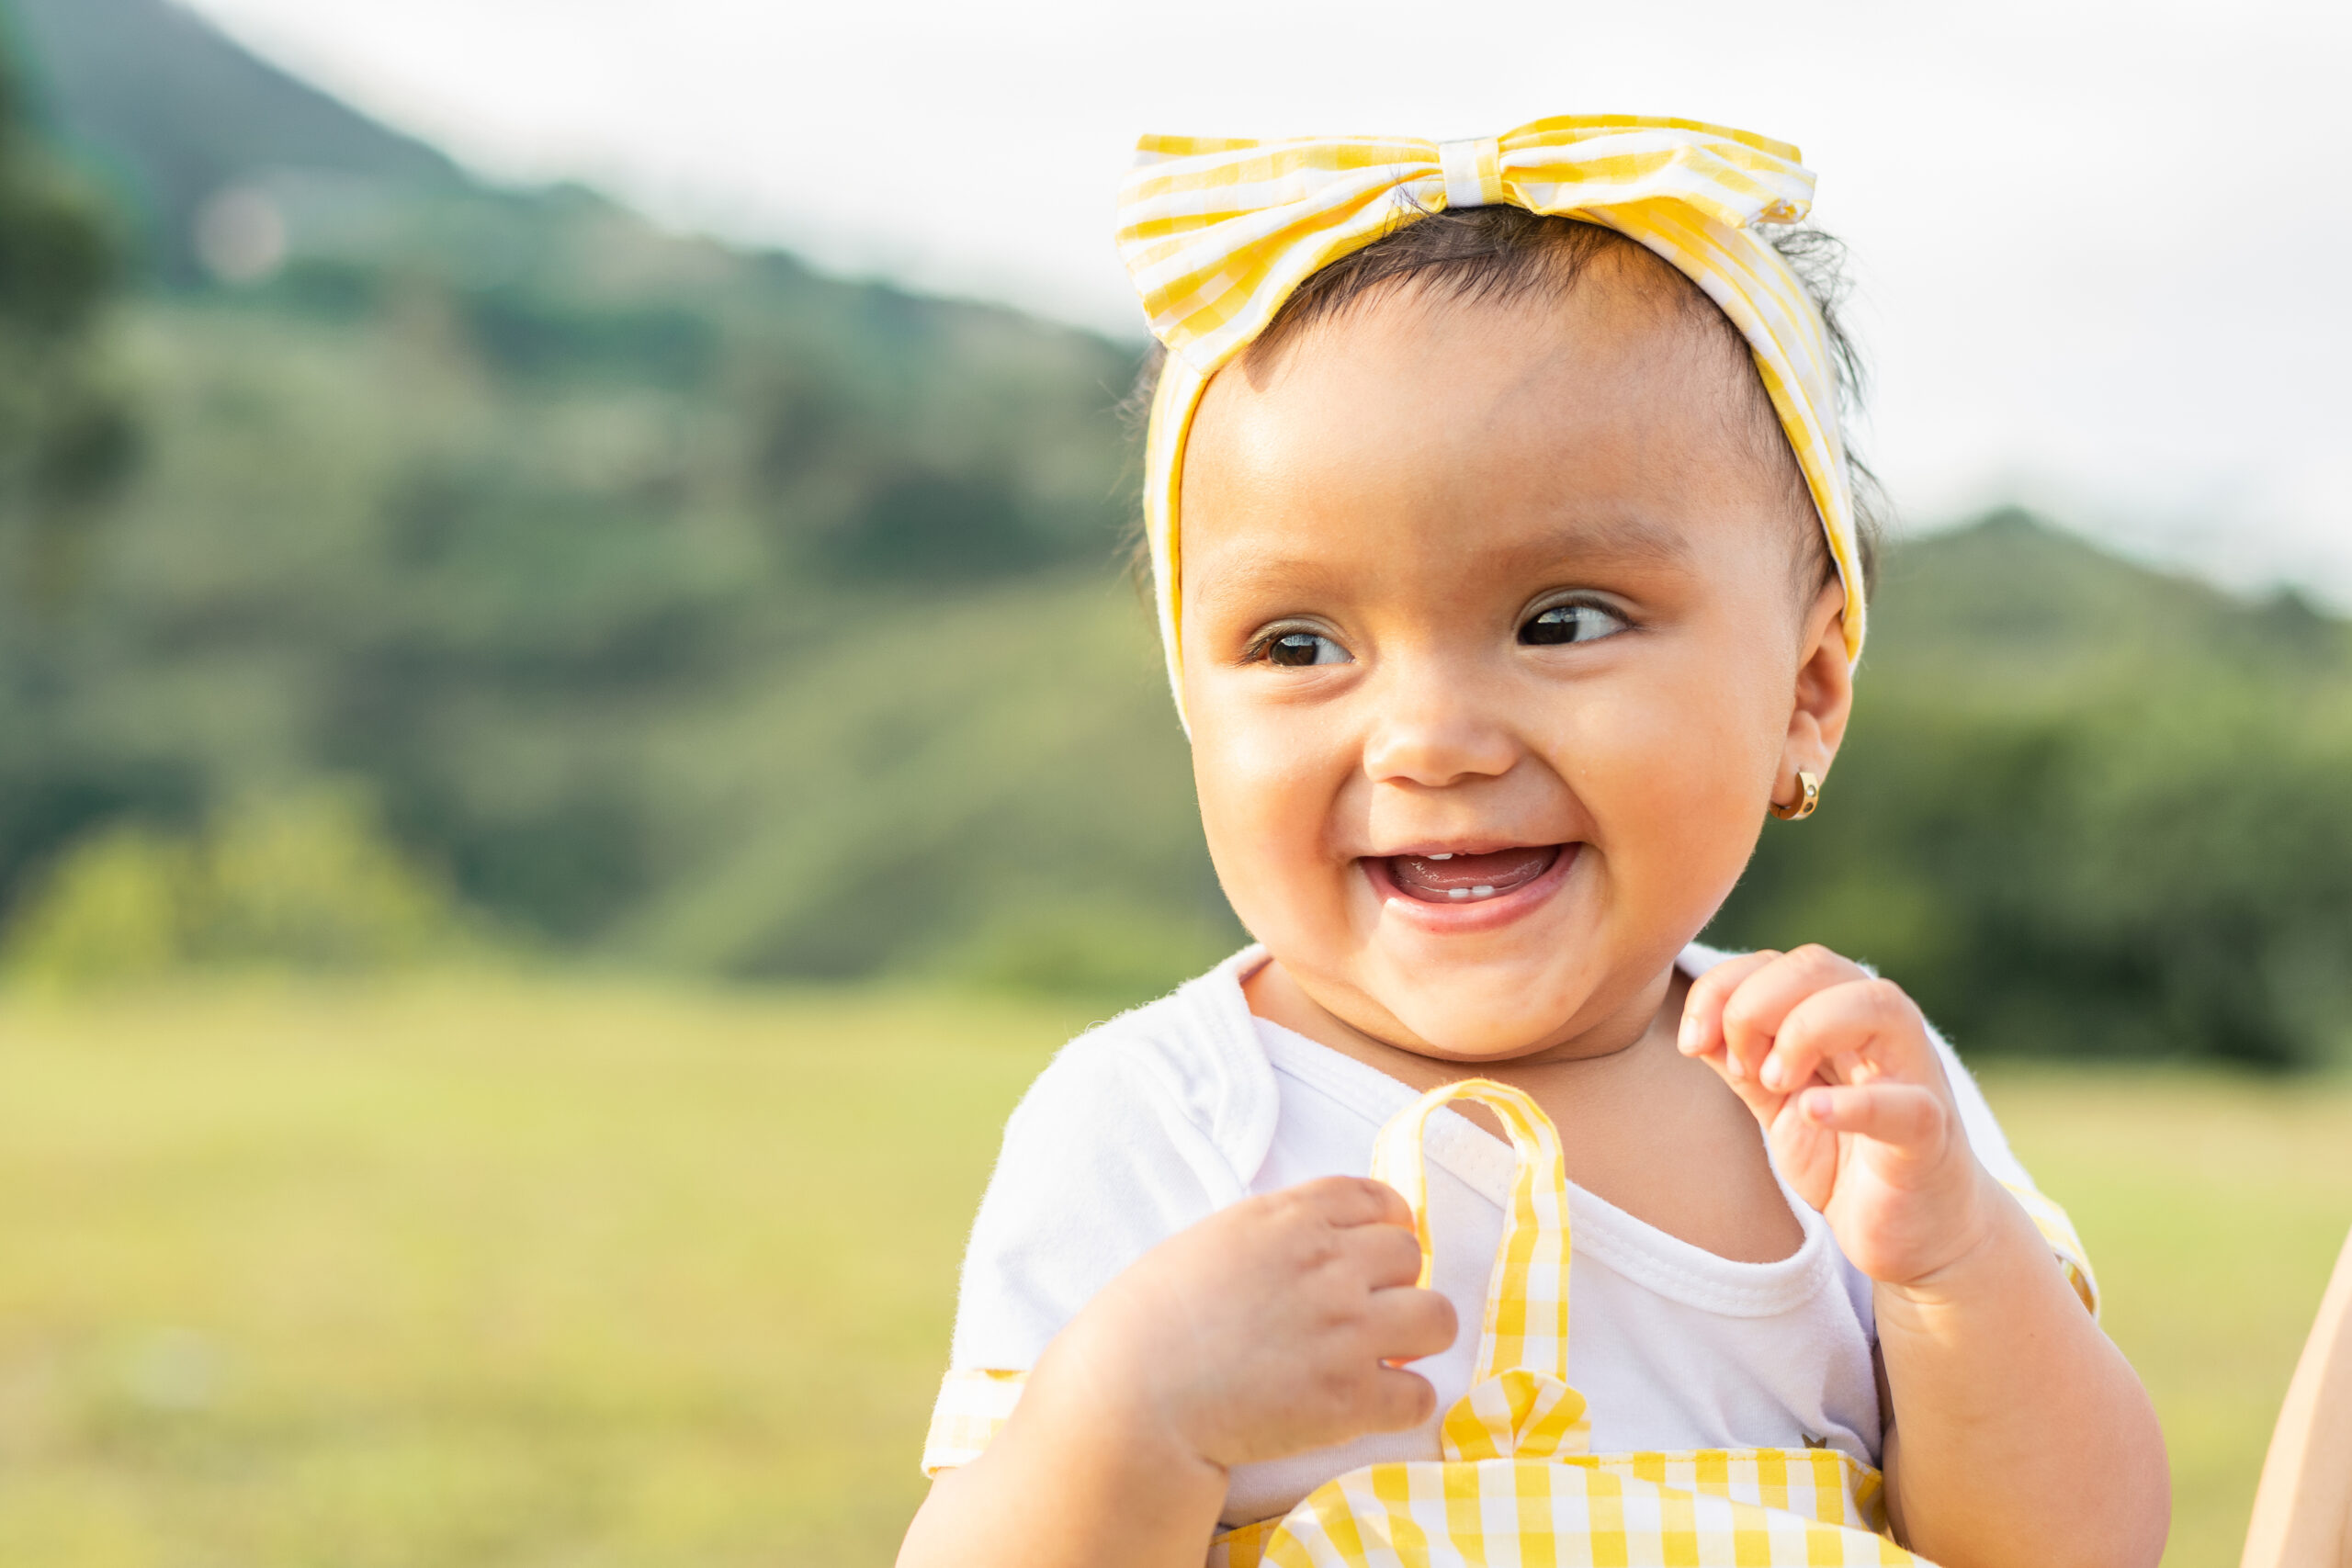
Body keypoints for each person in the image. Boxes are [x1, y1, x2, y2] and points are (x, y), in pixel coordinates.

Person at [896, 117, 2168, 1567]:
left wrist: (1951, 1266)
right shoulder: (1169, 1122)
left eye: (1559, 621)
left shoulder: (1841, 1097)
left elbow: (2077, 1552)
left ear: (1809, 688)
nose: (1430, 739)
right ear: (1193, 701)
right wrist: (1125, 1419)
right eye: (1299, 643)